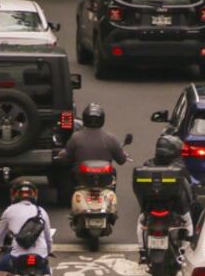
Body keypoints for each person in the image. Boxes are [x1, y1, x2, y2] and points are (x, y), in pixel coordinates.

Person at [135, 134, 195, 262]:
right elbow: (188, 187)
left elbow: (139, 188)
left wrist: (144, 205)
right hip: (176, 206)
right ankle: (183, 252)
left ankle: (142, 252)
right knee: (189, 224)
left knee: (141, 222)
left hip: (150, 206)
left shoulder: (147, 164)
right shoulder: (180, 167)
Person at [55, 103, 128, 171]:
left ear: (84, 119)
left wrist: (62, 155)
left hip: (81, 179)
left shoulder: (76, 137)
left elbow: (66, 159)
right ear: (102, 120)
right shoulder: (111, 138)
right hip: (103, 180)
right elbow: (121, 160)